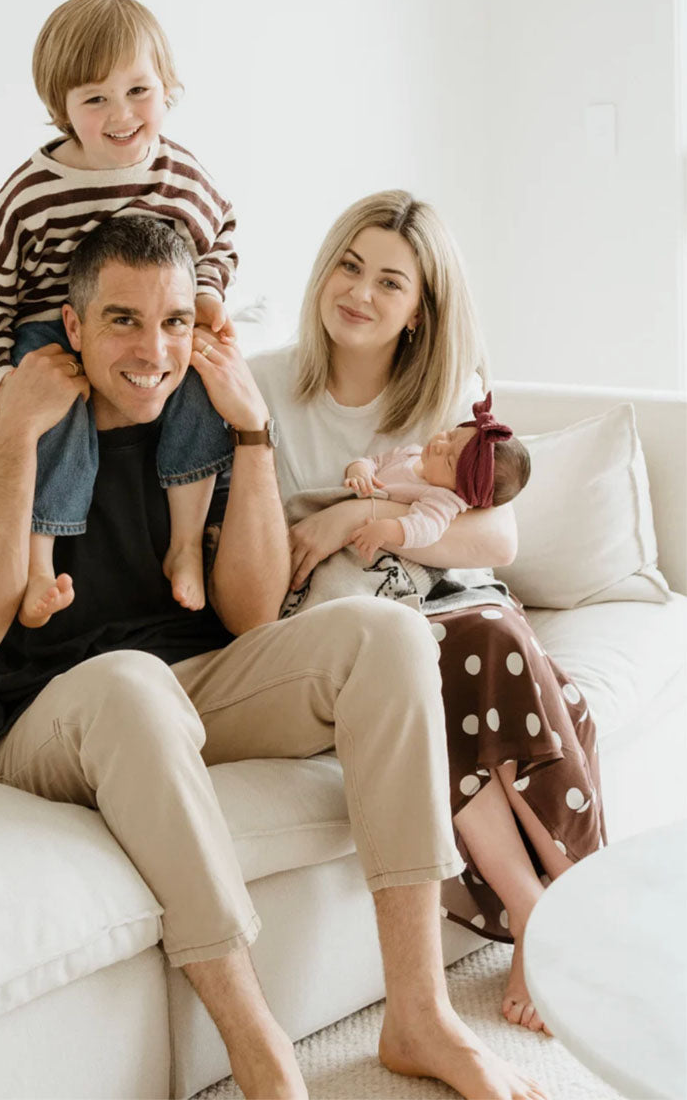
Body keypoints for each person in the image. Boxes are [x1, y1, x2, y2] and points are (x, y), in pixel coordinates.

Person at [0, 215, 547, 1100]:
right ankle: (262, 1052)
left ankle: (421, 1013)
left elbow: (252, 616)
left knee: (391, 633)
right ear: (72, 326)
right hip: (47, 718)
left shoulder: (200, 422)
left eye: (175, 321)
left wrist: (252, 433)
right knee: (133, 684)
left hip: (199, 688)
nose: (154, 350)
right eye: (123, 320)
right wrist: (19, 432)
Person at [251, 190, 605, 1037]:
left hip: (453, 605)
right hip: (358, 626)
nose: (360, 295)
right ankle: (561, 912)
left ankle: (554, 914)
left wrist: (350, 520)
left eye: (390, 283)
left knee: (512, 659)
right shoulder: (262, 388)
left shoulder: (451, 394)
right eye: (349, 265)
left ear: (418, 310)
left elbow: (497, 542)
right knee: (473, 656)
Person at [0, 0, 237, 626]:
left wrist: (208, 293)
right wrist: (6, 383)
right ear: (62, 111)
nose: (122, 113)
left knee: (198, 386)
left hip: (149, 324)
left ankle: (186, 546)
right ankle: (40, 563)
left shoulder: (181, 173)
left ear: (169, 88)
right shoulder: (32, 194)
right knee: (59, 418)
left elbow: (222, 234)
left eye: (139, 90)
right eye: (95, 98)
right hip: (50, 330)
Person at [345, 394, 531, 561]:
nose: (440, 444)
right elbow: (375, 461)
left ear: (461, 489)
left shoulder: (443, 497)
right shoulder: (412, 453)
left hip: (379, 547)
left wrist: (386, 530)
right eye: (451, 436)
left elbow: (426, 528)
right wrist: (360, 470)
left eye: (449, 461)